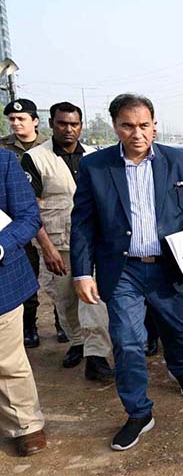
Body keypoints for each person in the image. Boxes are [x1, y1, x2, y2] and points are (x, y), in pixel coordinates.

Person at [71, 93, 183, 451]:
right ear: (115, 127)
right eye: (127, 125)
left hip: (169, 266)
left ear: (154, 124)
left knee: (175, 328)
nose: (136, 133)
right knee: (127, 341)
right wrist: (82, 272)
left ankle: (180, 368)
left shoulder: (177, 162)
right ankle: (139, 412)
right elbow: (83, 223)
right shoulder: (96, 167)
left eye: (143, 125)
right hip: (123, 271)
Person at [20, 102, 113, 379]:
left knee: (94, 300)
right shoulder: (35, 158)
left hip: (93, 242)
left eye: (74, 124)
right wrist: (47, 248)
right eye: (62, 123)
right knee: (65, 299)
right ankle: (77, 342)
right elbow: (30, 208)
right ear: (52, 124)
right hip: (57, 244)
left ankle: (96, 356)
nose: (69, 129)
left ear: (81, 126)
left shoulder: (96, 157)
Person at [0, 147, 47, 456]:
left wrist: (1, 244)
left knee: (7, 358)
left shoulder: (3, 161)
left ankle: (25, 424)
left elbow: (29, 217)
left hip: (1, 278)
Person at [2, 99, 48, 347]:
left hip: (41, 220)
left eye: (21, 118)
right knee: (25, 273)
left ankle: (62, 323)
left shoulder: (47, 148)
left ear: (35, 121)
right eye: (12, 119)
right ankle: (29, 325)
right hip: (13, 228)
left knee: (56, 276)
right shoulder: (4, 149)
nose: (16, 123)